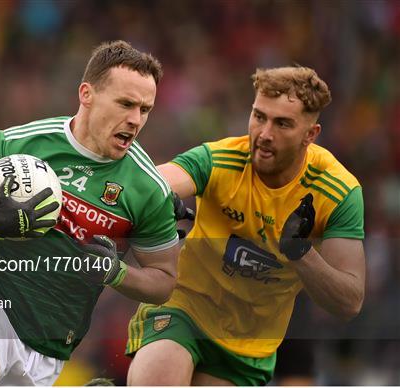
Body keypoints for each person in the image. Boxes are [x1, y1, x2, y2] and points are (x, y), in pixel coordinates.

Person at [0, 40, 180, 386]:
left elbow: (163, 280)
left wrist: (115, 272)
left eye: (145, 109)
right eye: (125, 103)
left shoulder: (149, 188)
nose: (134, 120)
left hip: (51, 344)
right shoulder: (20, 144)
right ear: (87, 94)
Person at [126, 66, 366, 385]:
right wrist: (154, 199)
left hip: (249, 346)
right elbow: (150, 184)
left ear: (311, 135)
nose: (264, 134)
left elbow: (349, 302)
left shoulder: (339, 194)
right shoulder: (220, 159)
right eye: (259, 116)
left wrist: (301, 253)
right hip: (184, 310)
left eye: (282, 123)